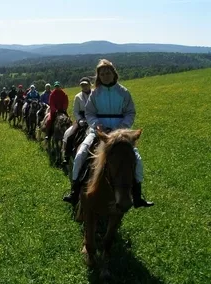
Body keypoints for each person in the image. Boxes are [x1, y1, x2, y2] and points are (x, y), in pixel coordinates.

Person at [63, 59, 154, 209]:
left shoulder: (123, 92)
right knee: (80, 155)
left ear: (113, 73)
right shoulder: (95, 94)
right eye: (102, 73)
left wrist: (121, 127)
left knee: (137, 160)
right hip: (99, 132)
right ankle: (75, 191)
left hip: (120, 133)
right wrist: (98, 126)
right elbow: (89, 113)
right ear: (98, 76)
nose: (105, 75)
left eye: (108, 72)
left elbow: (130, 112)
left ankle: (137, 196)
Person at [62, 77, 92, 164]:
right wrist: (79, 120)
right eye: (82, 85)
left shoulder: (95, 94)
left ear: (90, 84)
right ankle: (67, 156)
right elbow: (75, 111)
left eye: (86, 85)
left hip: (94, 118)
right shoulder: (78, 97)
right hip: (82, 119)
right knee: (70, 134)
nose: (84, 87)